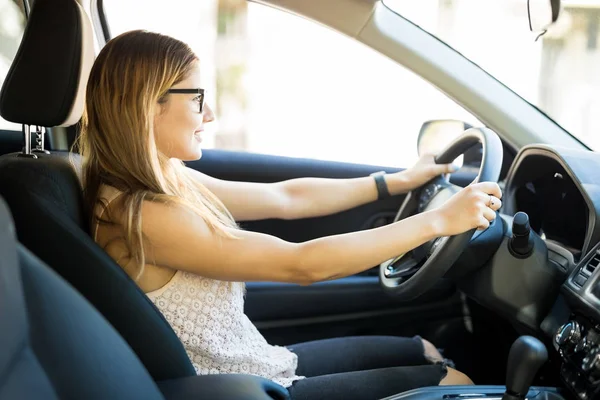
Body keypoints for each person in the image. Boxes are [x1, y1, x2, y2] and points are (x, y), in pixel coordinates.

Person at [78, 30, 502, 399]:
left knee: (424, 350)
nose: (210, 114)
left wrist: (395, 182)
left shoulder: (164, 178)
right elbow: (302, 265)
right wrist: (438, 221)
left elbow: (286, 197)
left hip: (260, 364)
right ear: (148, 105)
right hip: (236, 389)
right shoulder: (143, 215)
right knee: (455, 384)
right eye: (198, 99)